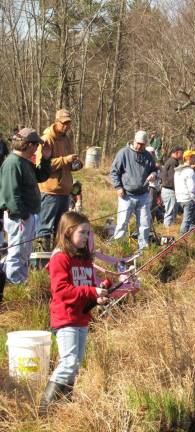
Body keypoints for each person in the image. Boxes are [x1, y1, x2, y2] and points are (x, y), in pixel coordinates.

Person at [39, 212, 109, 414]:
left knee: (75, 365)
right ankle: (44, 410)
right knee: (68, 362)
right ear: (69, 232)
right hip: (65, 318)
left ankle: (62, 406)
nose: (87, 237)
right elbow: (61, 291)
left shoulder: (84, 258)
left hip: (81, 318)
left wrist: (98, 298)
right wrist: (91, 292)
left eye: (88, 233)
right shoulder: (60, 258)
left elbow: (87, 288)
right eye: (83, 232)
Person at [0, 128, 51, 284]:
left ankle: (20, 279)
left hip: (27, 215)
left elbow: (41, 176)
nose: (37, 148)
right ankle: (14, 282)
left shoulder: (25, 162)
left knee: (24, 251)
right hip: (19, 217)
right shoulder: (12, 163)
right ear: (28, 144)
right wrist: (23, 214)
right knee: (17, 251)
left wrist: (46, 158)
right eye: (36, 145)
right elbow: (10, 194)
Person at [36, 109, 82, 251]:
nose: (67, 126)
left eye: (69, 123)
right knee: (45, 229)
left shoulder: (66, 139)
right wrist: (65, 160)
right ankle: (42, 261)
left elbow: (66, 164)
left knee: (61, 229)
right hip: (50, 191)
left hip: (65, 191)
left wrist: (75, 164)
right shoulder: (46, 139)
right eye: (64, 123)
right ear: (56, 121)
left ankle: (57, 258)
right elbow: (41, 166)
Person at [110, 130, 157, 250]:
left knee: (144, 224)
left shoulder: (148, 156)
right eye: (138, 143)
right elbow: (114, 172)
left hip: (143, 195)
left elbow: (154, 169)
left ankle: (143, 248)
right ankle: (118, 248)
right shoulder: (123, 153)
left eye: (143, 144)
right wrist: (118, 187)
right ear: (134, 140)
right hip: (126, 195)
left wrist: (153, 174)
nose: (140, 146)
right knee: (122, 223)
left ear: (146, 143)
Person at [174, 150, 195, 234]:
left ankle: (192, 238)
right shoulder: (190, 171)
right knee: (187, 221)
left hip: (180, 198)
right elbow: (192, 188)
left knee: (191, 220)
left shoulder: (178, 170)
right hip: (188, 199)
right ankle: (181, 240)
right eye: (194, 157)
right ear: (189, 158)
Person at [160, 146, 183, 227]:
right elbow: (173, 179)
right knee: (170, 212)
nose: (182, 155)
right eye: (181, 153)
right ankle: (167, 232)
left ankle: (169, 230)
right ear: (176, 153)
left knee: (172, 211)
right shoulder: (173, 162)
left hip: (169, 190)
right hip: (169, 190)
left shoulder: (172, 161)